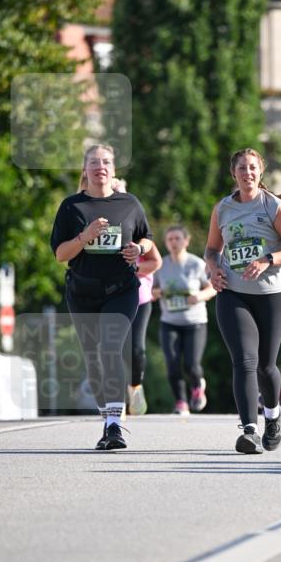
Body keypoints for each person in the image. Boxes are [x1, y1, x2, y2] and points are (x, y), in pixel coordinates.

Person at [51, 144, 153, 450]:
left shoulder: (129, 203)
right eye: (93, 162)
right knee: (93, 360)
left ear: (113, 168)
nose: (100, 167)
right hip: (82, 292)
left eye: (106, 161)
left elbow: (146, 238)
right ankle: (106, 414)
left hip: (121, 290)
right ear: (85, 170)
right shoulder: (72, 207)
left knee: (111, 347)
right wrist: (85, 236)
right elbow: (60, 254)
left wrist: (140, 249)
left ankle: (113, 426)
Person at [204, 148, 281, 454]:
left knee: (266, 366)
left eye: (252, 168)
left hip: (273, 296)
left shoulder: (273, 206)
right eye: (241, 168)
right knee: (244, 361)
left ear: (261, 173)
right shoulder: (222, 209)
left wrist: (268, 259)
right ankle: (249, 430)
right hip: (233, 294)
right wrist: (212, 268)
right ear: (233, 173)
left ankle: (273, 416)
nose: (247, 173)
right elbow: (211, 249)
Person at [109, 178, 162, 416]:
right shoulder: (100, 224)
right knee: (113, 348)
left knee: (136, 349)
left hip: (139, 297)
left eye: (121, 193)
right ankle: (116, 401)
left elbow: (156, 261)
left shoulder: (134, 223)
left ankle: (135, 386)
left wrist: (132, 268)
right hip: (109, 295)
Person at [153, 225, 216, 415]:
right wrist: (157, 292)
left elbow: (212, 287)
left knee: (191, 364)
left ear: (186, 241)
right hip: (169, 322)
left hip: (194, 322)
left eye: (177, 238)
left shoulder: (196, 264)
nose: (173, 242)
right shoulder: (161, 265)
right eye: (170, 239)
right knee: (172, 363)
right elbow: (150, 290)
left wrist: (199, 296)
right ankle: (181, 402)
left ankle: (197, 386)